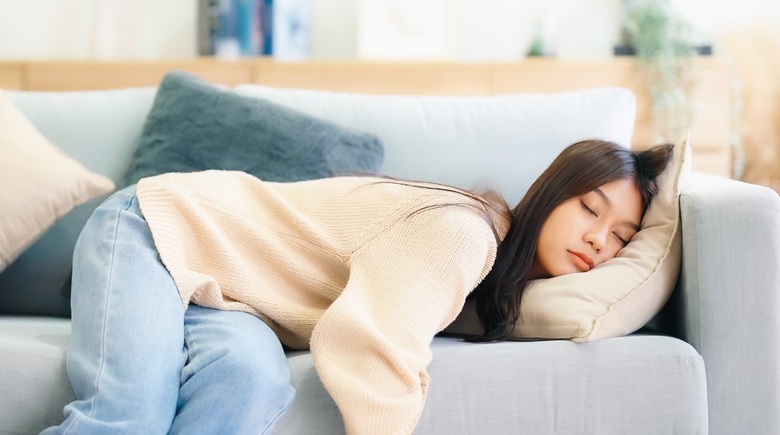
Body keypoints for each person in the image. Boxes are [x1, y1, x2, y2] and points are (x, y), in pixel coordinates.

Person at [43, 139, 673, 435]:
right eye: (590, 209)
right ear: (550, 195)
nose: (600, 242)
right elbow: (366, 343)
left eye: (622, 236)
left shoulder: (499, 287)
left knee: (250, 383)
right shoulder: (467, 234)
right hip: (158, 228)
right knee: (126, 421)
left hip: (229, 296)